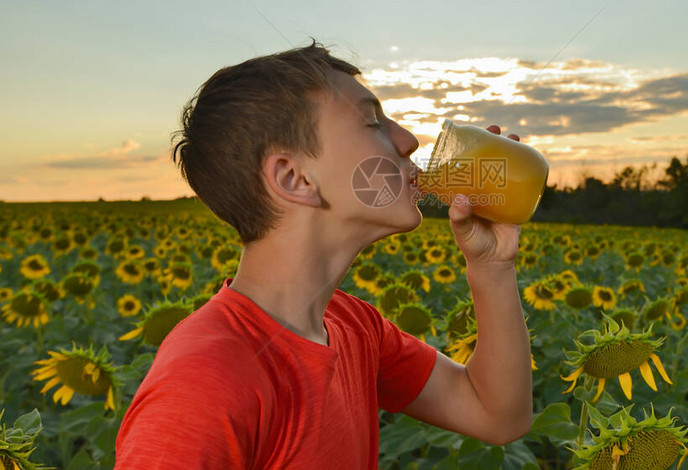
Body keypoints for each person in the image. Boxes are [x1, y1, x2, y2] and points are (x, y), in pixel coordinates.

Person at [114, 42, 533, 468]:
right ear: (295, 178)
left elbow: (496, 415)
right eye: (372, 122)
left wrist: (492, 266)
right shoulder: (203, 383)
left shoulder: (355, 327)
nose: (408, 140)